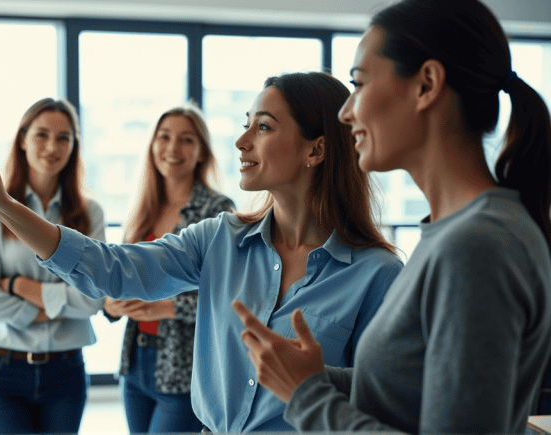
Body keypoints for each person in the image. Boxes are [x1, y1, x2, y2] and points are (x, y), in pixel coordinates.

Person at [0, 71, 403, 432]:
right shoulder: (219, 238)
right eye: (245, 125)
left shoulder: (376, 275)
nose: (242, 141)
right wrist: (3, 207)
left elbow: (384, 409)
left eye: (263, 127)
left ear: (316, 149)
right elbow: (115, 269)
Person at [232, 1, 551, 433]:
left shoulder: (475, 246)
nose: (347, 113)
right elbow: (415, 391)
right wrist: (313, 376)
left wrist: (306, 395)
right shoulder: (457, 233)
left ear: (426, 85)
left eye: (359, 84)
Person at [0, 98, 105, 434]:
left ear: (74, 146)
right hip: (1, 368)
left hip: (65, 371)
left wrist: (16, 286)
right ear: (22, 139)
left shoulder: (90, 214)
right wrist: (53, 309)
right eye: (41, 134)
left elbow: (93, 299)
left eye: (64, 138)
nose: (52, 146)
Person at [102, 103, 235, 434]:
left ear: (202, 151)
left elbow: (230, 297)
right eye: (164, 137)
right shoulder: (144, 207)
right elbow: (120, 275)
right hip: (135, 363)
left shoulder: (218, 211)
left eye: (186, 139)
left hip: (184, 370)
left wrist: (165, 306)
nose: (173, 148)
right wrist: (111, 303)